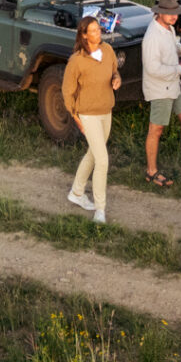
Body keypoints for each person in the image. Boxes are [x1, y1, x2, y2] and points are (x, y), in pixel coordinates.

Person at [62, 15, 120, 225]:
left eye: (99, 29)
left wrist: (116, 80)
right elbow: (67, 92)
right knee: (102, 160)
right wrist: (76, 119)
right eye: (93, 31)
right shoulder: (77, 60)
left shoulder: (108, 51)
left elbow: (115, 72)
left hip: (106, 110)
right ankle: (100, 209)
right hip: (87, 114)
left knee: (94, 154)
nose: (98, 33)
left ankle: (76, 192)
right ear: (84, 35)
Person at [140, 0, 181, 188]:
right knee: (156, 129)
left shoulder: (167, 28)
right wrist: (180, 70)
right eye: (169, 14)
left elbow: (172, 46)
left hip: (175, 84)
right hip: (160, 88)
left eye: (175, 14)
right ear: (159, 13)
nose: (173, 17)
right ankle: (151, 171)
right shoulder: (152, 37)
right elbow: (152, 69)